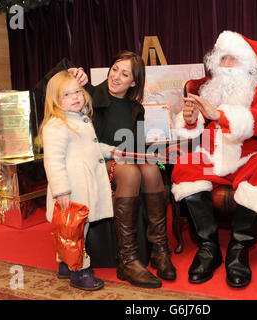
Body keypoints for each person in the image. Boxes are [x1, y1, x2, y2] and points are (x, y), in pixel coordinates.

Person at [171, 30, 257, 288]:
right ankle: (208, 248)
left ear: (249, 64)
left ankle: (238, 249)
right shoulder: (209, 88)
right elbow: (195, 127)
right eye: (222, 59)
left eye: (232, 59)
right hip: (215, 157)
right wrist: (190, 120)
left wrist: (219, 115)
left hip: (251, 157)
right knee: (185, 166)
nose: (225, 66)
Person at [69, 51, 176, 289]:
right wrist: (69, 77)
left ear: (134, 82)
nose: (116, 76)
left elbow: (133, 146)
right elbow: (54, 96)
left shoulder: (136, 108)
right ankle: (127, 259)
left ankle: (159, 249)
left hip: (123, 159)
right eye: (115, 68)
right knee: (130, 171)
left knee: (150, 169)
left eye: (124, 74)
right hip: (95, 158)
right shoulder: (88, 95)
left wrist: (148, 154)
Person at [40, 70, 114, 291]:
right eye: (66, 95)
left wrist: (111, 151)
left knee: (72, 230)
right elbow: (53, 161)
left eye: (78, 92)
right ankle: (80, 270)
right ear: (54, 100)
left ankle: (65, 264)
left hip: (84, 186)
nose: (75, 97)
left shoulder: (80, 118)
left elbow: (89, 146)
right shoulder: (56, 125)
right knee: (76, 233)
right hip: (72, 190)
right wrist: (61, 190)